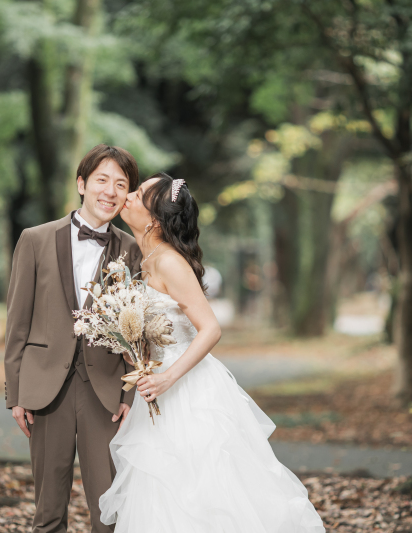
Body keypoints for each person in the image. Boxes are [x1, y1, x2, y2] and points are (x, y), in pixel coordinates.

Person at [99, 172, 325, 532]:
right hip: (156, 389)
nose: (127, 196)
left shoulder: (169, 261)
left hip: (186, 391)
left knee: (200, 491)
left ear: (155, 218)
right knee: (160, 491)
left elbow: (211, 328)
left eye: (137, 194)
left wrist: (167, 378)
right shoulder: (147, 259)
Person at [4, 144, 143, 533]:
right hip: (45, 390)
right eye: (102, 180)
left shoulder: (131, 250)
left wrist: (129, 395)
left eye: (121, 184)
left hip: (106, 393)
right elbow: (17, 322)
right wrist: (15, 393)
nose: (110, 191)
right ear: (82, 184)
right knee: (48, 512)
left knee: (109, 512)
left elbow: (135, 330)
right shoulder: (34, 239)